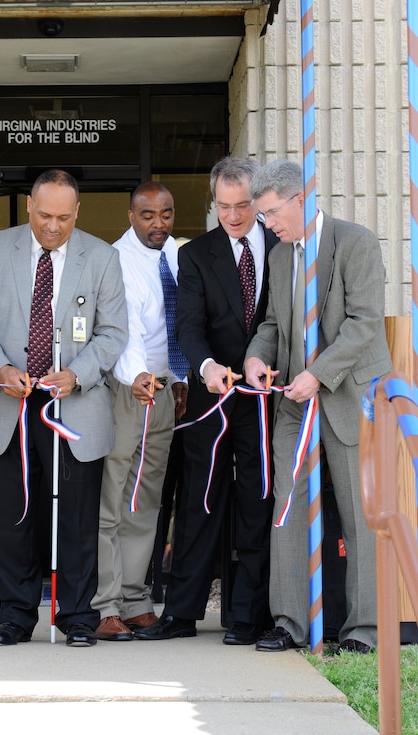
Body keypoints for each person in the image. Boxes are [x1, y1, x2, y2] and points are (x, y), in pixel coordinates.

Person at [0, 169, 128, 648]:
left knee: (77, 520)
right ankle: (14, 617)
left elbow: (114, 332)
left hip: (73, 405)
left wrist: (78, 373)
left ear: (76, 212)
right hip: (10, 405)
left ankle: (77, 616)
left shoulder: (102, 256)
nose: (53, 227)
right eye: (44, 216)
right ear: (29, 207)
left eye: (63, 217)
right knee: (15, 519)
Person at [244, 159, 392, 653]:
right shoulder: (281, 254)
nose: (266, 224)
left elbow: (364, 323)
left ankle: (364, 631)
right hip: (292, 401)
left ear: (299, 199)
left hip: (351, 400)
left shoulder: (357, 242)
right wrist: (254, 359)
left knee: (360, 515)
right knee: (287, 509)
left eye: (269, 213)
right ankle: (289, 622)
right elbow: (271, 324)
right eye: (261, 216)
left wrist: (318, 374)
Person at [135, 157, 277, 644]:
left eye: (242, 206)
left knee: (257, 500)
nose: (233, 217)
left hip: (265, 398)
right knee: (199, 501)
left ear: (258, 202)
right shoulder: (195, 254)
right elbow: (188, 325)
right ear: (213, 203)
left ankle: (248, 615)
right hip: (210, 394)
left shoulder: (284, 247)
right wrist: (206, 368)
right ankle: (181, 612)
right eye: (223, 206)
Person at [92, 182, 188, 641]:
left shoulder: (176, 256)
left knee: (145, 499)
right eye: (148, 215)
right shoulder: (116, 260)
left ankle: (134, 600)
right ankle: (104, 604)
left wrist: (181, 379)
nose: (158, 224)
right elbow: (122, 329)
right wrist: (135, 379)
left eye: (166, 214)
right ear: (131, 216)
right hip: (126, 390)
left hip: (164, 393)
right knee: (112, 499)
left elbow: (180, 324)